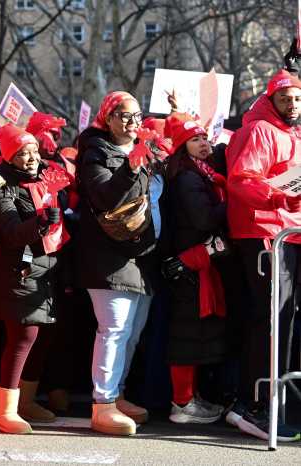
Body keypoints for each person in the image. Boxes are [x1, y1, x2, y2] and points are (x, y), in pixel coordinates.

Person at [0, 124, 70, 433]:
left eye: (33, 151)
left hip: (46, 268)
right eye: (22, 153)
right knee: (22, 338)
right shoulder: (0, 187)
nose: (31, 158)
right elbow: (13, 232)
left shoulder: (43, 177)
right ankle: (5, 410)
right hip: (16, 271)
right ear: (9, 156)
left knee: (41, 336)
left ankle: (25, 402)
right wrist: (42, 221)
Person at [224, 69, 301, 442]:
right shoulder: (260, 131)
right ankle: (254, 406)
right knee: (272, 321)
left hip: (288, 235)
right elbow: (242, 181)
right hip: (266, 237)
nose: (293, 104)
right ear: (270, 100)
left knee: (284, 322)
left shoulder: (291, 133)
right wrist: (280, 197)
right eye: (285, 98)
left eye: (298, 98)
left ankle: (273, 402)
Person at [76, 91, 158, 436]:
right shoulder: (95, 152)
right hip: (108, 257)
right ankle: (103, 403)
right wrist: (131, 166)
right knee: (113, 331)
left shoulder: (146, 150)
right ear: (107, 118)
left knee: (132, 334)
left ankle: (118, 394)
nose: (132, 122)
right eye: (124, 115)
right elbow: (105, 196)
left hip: (142, 256)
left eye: (136, 116)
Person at [163, 118, 229, 424]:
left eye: (205, 137)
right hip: (189, 266)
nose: (205, 143)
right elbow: (203, 220)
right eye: (195, 139)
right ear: (181, 147)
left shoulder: (202, 174)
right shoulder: (188, 179)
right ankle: (182, 403)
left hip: (197, 263)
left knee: (194, 333)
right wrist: (235, 199)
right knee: (186, 334)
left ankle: (190, 398)